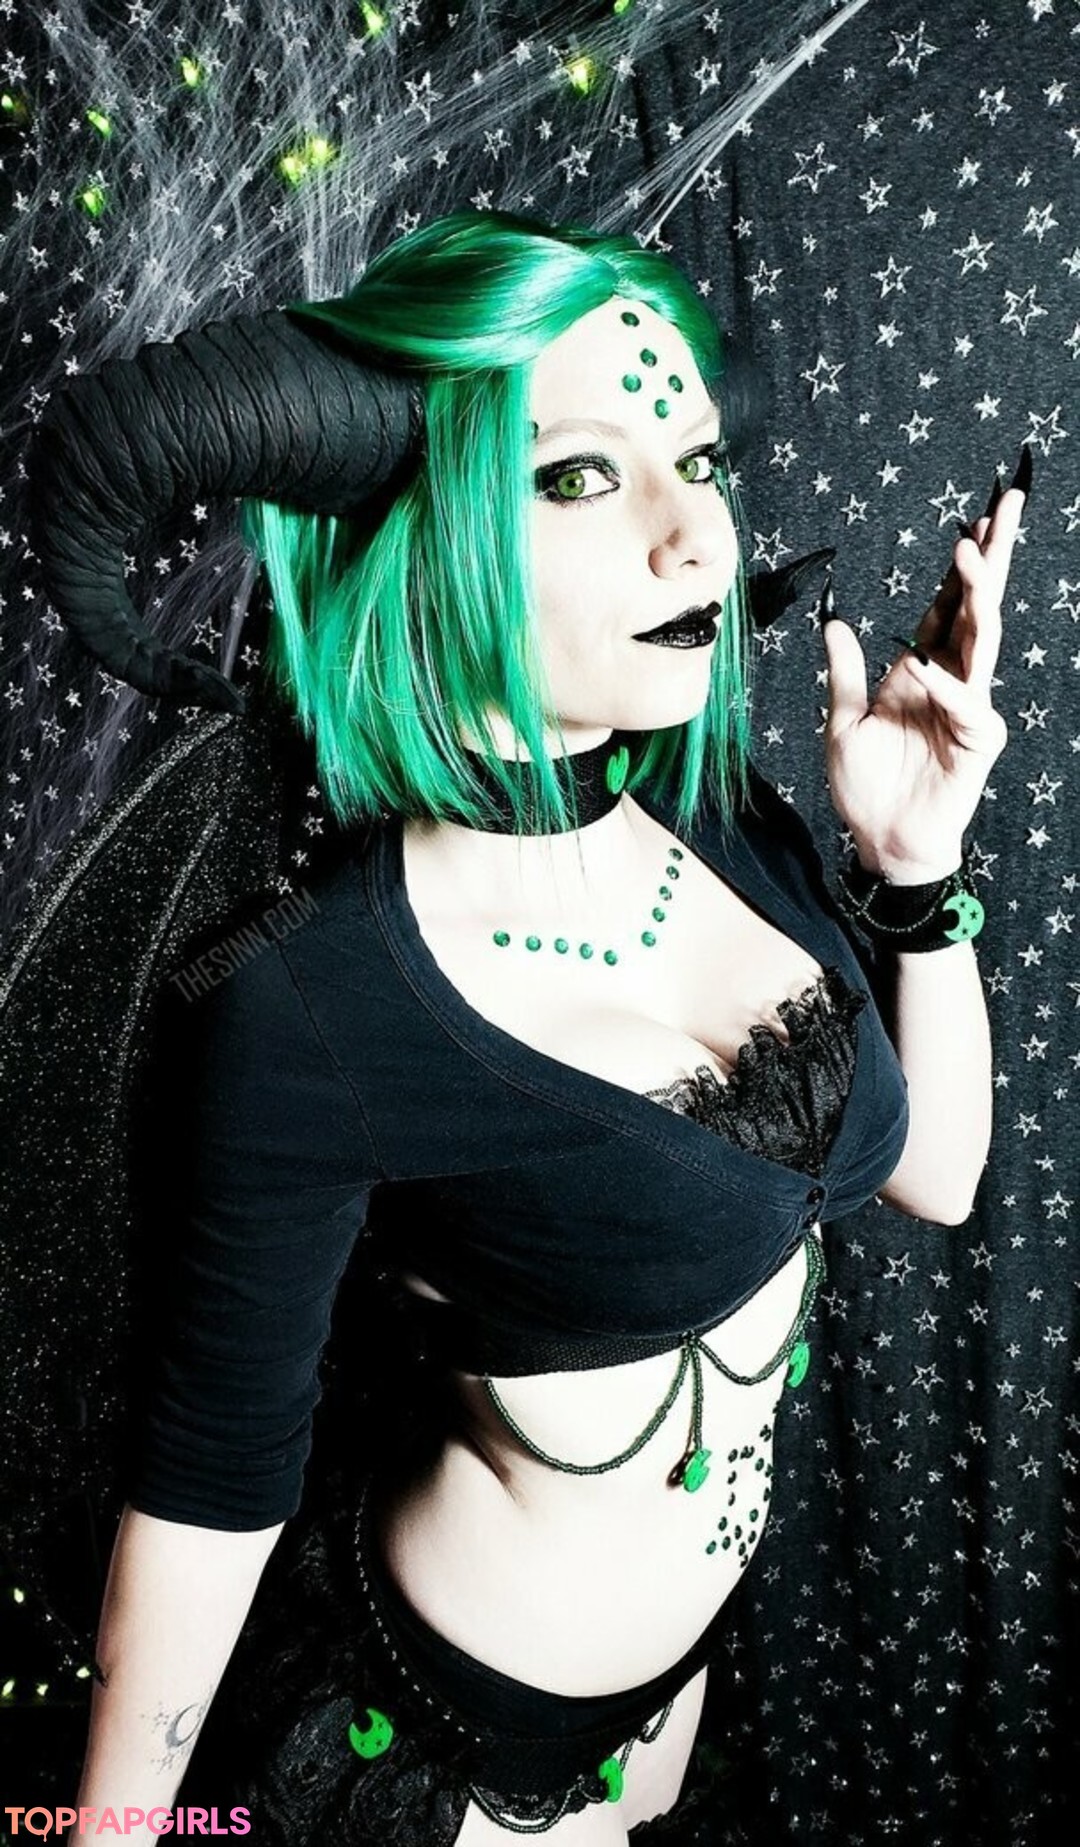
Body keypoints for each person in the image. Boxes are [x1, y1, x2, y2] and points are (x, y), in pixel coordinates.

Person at [11, 210, 1020, 1845]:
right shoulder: (316, 1001)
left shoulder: (733, 829)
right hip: (453, 1758)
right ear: (430, 533)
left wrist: (915, 869)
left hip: (671, 1703)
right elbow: (207, 1499)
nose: (695, 542)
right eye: (579, 475)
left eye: (697, 462)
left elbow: (940, 1177)